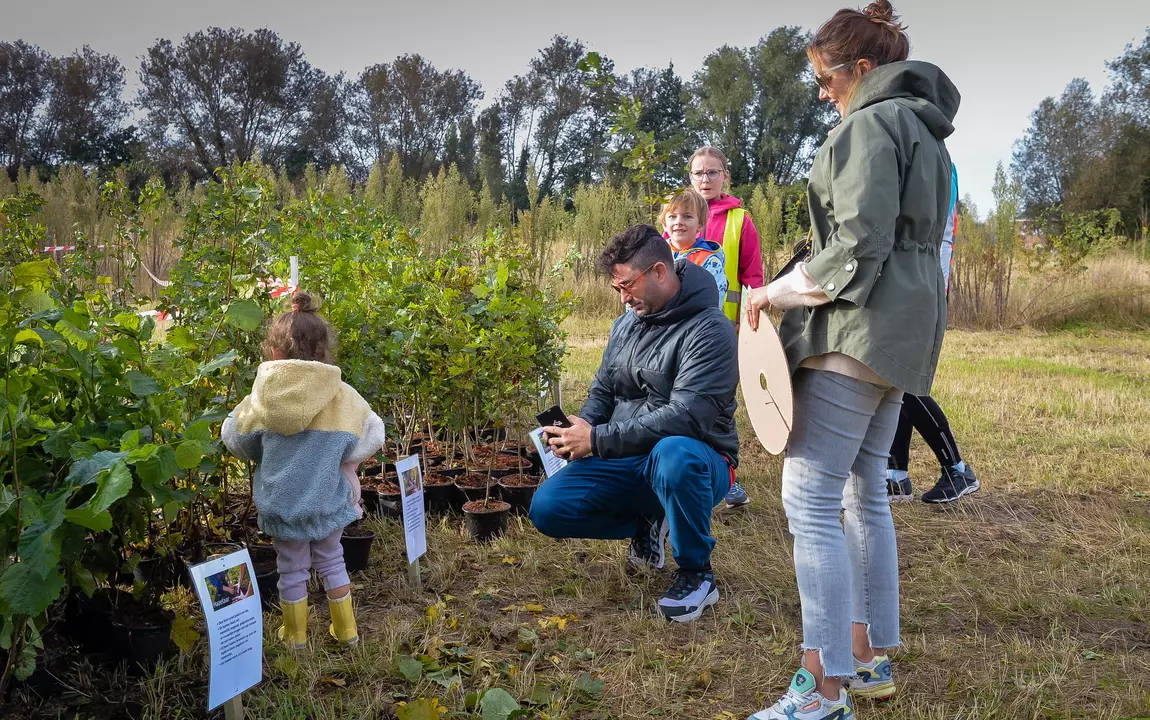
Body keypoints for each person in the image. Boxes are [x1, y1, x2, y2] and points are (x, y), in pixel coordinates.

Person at [743, 2, 959, 717]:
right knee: (864, 489)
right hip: (905, 328)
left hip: (859, 328)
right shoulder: (927, 133)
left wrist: (773, 293)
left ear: (863, 70)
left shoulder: (869, 126)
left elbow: (856, 246)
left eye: (825, 78)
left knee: (809, 499)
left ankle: (821, 690)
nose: (821, 91)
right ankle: (865, 659)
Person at [528, 225, 739, 623]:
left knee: (674, 454)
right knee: (548, 509)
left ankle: (697, 572)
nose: (623, 298)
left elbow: (687, 417)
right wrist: (583, 424)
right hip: (627, 453)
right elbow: (604, 390)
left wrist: (598, 438)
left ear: (660, 271)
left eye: (627, 286)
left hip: (700, 458)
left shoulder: (711, 330)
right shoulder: (626, 323)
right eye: (617, 290)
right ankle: (649, 519)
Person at [222, 292, 385, 649]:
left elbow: (235, 437)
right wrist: (343, 456)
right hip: (327, 499)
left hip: (283, 504)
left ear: (274, 350)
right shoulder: (342, 394)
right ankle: (346, 630)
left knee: (291, 568)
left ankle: (295, 636)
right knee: (332, 561)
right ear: (324, 349)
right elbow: (373, 432)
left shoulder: (261, 396)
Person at [888, 163, 980, 504]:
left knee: (905, 381)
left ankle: (957, 470)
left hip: (922, 289)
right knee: (891, 376)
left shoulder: (935, 161)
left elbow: (933, 232)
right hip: (911, 285)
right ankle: (896, 474)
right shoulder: (918, 154)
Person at [689, 146, 763, 509]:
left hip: (722, 330)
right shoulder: (675, 215)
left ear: (725, 177)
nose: (705, 180)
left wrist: (746, 324)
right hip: (679, 329)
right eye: (699, 173)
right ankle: (689, 472)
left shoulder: (739, 220)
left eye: (712, 173)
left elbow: (753, 277)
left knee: (720, 403)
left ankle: (728, 477)